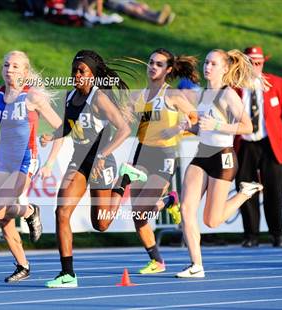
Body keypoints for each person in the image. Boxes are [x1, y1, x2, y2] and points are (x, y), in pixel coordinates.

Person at [0, 51, 62, 282]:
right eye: (7, 65)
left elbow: (61, 129)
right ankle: (22, 264)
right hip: (4, 160)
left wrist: (49, 162)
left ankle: (30, 210)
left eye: (16, 66)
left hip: (26, 159)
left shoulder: (33, 97)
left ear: (25, 72)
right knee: (3, 216)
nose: (10, 70)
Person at [42, 50, 132, 288]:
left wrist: (103, 153)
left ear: (92, 75)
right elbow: (68, 126)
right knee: (61, 212)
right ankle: (67, 274)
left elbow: (124, 129)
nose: (76, 75)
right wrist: (51, 135)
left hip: (102, 161)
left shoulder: (99, 98)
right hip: (79, 160)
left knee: (101, 224)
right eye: (74, 70)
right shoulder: (70, 97)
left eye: (82, 71)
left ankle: (123, 182)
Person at [172, 49, 264, 278]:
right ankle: (196, 265)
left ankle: (245, 193)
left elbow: (248, 127)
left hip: (223, 157)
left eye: (213, 64)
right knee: (186, 209)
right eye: (206, 62)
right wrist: (187, 127)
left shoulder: (228, 95)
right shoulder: (203, 94)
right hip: (202, 154)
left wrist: (217, 126)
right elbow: (202, 127)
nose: (207, 67)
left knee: (211, 220)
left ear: (224, 68)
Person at [120, 48, 199, 274]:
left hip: (164, 156)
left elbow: (197, 121)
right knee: (138, 216)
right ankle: (157, 261)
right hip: (141, 154)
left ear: (168, 70)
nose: (153, 67)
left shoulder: (173, 96)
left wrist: (176, 128)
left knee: (142, 209)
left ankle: (168, 200)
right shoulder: (138, 96)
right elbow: (125, 123)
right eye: (151, 62)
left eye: (159, 64)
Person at [234, 46, 282, 248]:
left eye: (259, 62)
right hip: (244, 143)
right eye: (251, 63)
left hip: (270, 143)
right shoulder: (234, 85)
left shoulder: (276, 83)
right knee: (245, 190)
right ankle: (251, 235)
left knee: (274, 189)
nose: (256, 66)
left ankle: (276, 233)